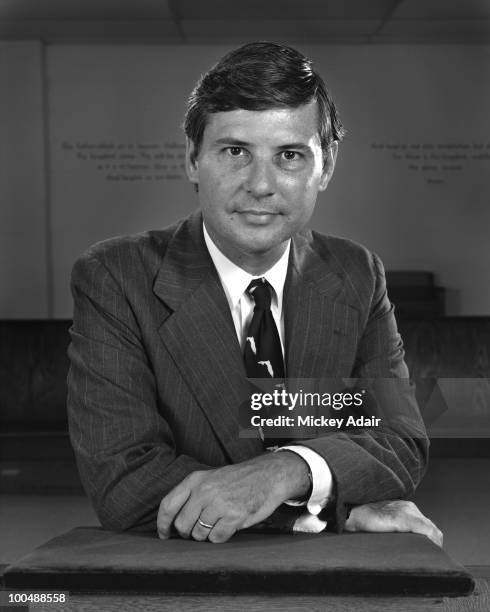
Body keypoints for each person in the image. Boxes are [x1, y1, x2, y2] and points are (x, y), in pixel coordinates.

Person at [67, 42, 441, 546]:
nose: (260, 185)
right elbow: (125, 483)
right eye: (235, 151)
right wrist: (322, 511)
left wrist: (286, 471)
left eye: (289, 155)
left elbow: (398, 443)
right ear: (193, 160)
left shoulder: (357, 273)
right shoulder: (115, 277)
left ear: (325, 168)